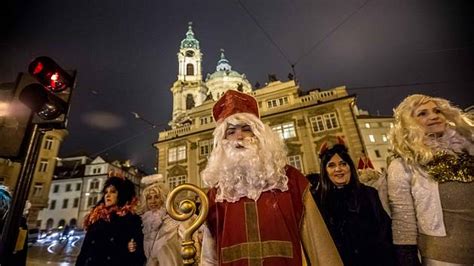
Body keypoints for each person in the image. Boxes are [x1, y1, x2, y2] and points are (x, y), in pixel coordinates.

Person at [200, 89, 342, 265]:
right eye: (231, 132)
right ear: (223, 141)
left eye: (247, 129)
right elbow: (209, 255)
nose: (239, 137)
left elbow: (318, 243)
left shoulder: (290, 180)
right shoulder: (217, 195)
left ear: (259, 136)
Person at [387, 94, 474, 265]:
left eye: (437, 111)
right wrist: (408, 258)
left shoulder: (467, 150)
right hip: (444, 258)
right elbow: (404, 220)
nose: (434, 116)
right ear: (408, 123)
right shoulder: (403, 164)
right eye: (422, 114)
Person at [314, 141, 394, 266]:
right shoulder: (319, 202)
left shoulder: (369, 194)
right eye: (331, 165)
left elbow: (385, 230)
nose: (338, 169)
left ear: (350, 167)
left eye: (342, 164)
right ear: (325, 171)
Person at [76, 176, 146, 266]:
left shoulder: (131, 219)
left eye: (113, 192)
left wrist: (133, 249)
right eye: (106, 192)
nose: (107, 195)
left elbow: (138, 254)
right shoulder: (96, 218)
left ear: (121, 194)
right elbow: (84, 252)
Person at [140, 174, 186, 266]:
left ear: (163, 199)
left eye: (156, 197)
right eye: (149, 198)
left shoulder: (174, 220)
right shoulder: (145, 222)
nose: (153, 201)